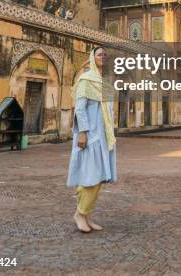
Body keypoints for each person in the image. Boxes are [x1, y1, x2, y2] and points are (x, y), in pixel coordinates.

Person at [67, 47, 117, 233]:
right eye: (99, 54)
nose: (102, 57)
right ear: (92, 58)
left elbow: (110, 110)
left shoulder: (105, 82)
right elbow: (80, 108)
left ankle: (86, 215)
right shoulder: (86, 79)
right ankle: (79, 214)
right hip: (90, 135)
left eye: (105, 54)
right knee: (90, 176)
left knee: (99, 177)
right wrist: (82, 132)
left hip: (103, 135)